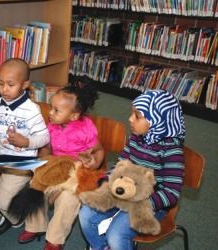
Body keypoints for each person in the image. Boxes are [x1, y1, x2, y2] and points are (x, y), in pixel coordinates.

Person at [78, 90, 186, 250]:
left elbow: (172, 193)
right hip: (122, 192)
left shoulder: (172, 151)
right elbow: (120, 167)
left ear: (156, 120)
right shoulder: (136, 138)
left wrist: (143, 202)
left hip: (149, 204)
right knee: (85, 215)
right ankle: (100, 247)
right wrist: (108, 182)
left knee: (116, 234)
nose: (130, 119)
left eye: (137, 116)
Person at [17, 83, 105, 250]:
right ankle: (36, 226)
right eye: (51, 107)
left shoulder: (86, 128)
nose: (50, 113)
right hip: (57, 167)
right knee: (35, 185)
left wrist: (94, 163)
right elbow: (46, 149)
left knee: (67, 200)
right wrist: (45, 163)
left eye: (56, 110)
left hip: (78, 172)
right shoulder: (51, 126)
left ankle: (55, 239)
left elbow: (99, 151)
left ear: (73, 116)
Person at [0, 58, 50, 236]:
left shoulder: (31, 110)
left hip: (20, 164)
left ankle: (17, 218)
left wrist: (27, 142)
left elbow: (44, 137)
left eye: (10, 84)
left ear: (25, 84)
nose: (4, 89)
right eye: (0, 84)